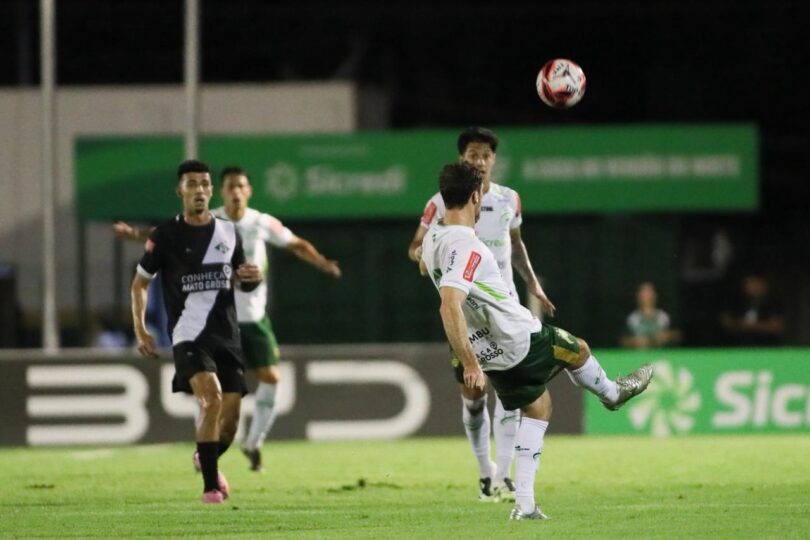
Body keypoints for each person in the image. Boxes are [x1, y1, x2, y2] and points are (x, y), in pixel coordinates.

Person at [420, 162, 653, 520]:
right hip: (518, 338)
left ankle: (525, 505)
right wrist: (468, 363)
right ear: (475, 196)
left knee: (538, 408)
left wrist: (474, 355)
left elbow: (425, 266)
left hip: (491, 352)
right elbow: (449, 304)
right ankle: (612, 394)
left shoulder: (433, 237)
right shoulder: (468, 246)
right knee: (579, 349)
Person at [117, 165, 342, 472]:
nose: (236, 192)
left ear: (248, 191)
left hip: (253, 317)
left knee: (271, 378)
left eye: (241, 186)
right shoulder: (210, 220)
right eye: (230, 187)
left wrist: (322, 262)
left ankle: (253, 442)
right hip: (215, 320)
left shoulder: (261, 222)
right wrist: (135, 234)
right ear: (220, 192)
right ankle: (208, 455)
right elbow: (163, 236)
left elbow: (296, 244)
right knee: (213, 396)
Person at [407, 127, 555, 502]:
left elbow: (516, 247)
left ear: (494, 160)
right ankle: (485, 471)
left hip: (505, 309)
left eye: (486, 155)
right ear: (462, 159)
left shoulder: (509, 200)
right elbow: (414, 246)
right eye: (473, 154)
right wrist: (428, 254)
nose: (480, 161)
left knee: (510, 395)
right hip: (467, 313)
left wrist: (533, 285)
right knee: (473, 395)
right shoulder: (441, 203)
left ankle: (503, 474)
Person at [131, 159, 263, 504]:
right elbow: (140, 283)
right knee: (211, 399)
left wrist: (253, 279)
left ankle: (205, 457)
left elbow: (242, 279)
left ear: (210, 190)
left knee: (230, 423)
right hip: (189, 335)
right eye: (192, 184)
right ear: (180, 191)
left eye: (204, 184)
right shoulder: (165, 236)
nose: (200, 190)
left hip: (227, 335)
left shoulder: (228, 233)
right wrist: (141, 329)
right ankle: (210, 488)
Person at [720, 273, 785, 346]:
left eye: (752, 282)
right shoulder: (738, 300)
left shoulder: (773, 302)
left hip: (766, 346)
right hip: (740, 345)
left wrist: (751, 326)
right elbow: (726, 322)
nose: (748, 286)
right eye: (746, 283)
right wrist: (738, 323)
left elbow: (776, 327)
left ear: (762, 283)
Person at [620, 282, 681, 348]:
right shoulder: (632, 319)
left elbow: (678, 336)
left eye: (649, 292)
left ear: (655, 295)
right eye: (644, 292)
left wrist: (668, 336)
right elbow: (622, 340)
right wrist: (635, 341)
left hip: (661, 353)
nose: (647, 296)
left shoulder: (664, 317)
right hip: (639, 353)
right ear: (638, 296)